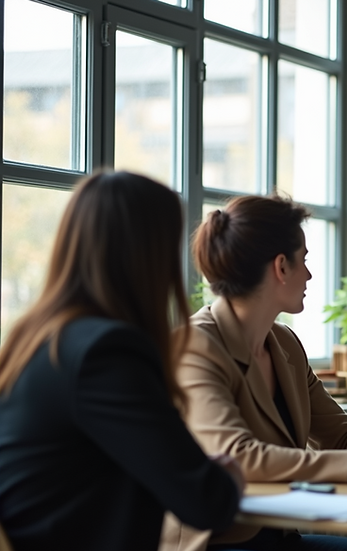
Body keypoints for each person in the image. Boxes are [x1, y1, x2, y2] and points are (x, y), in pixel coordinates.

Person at [161, 195, 347, 551]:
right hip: (219, 540)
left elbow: (340, 433)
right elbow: (240, 455)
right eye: (303, 261)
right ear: (281, 267)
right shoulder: (194, 345)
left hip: (277, 534)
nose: (308, 274)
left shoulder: (284, 343)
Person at [0, 171, 242, 551]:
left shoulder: (34, 339)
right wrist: (225, 476)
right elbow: (207, 502)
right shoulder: (106, 352)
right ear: (150, 254)